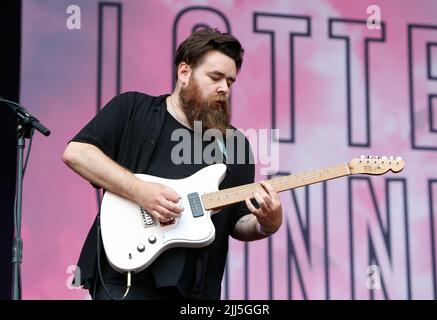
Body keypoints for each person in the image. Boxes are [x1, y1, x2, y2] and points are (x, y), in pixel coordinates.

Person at [63, 28, 282, 300]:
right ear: (184, 72)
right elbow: (77, 152)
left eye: (230, 81)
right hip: (124, 281)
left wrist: (267, 224)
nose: (224, 88)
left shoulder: (235, 143)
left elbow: (238, 221)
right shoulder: (133, 109)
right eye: (215, 77)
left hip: (195, 290)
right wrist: (140, 190)